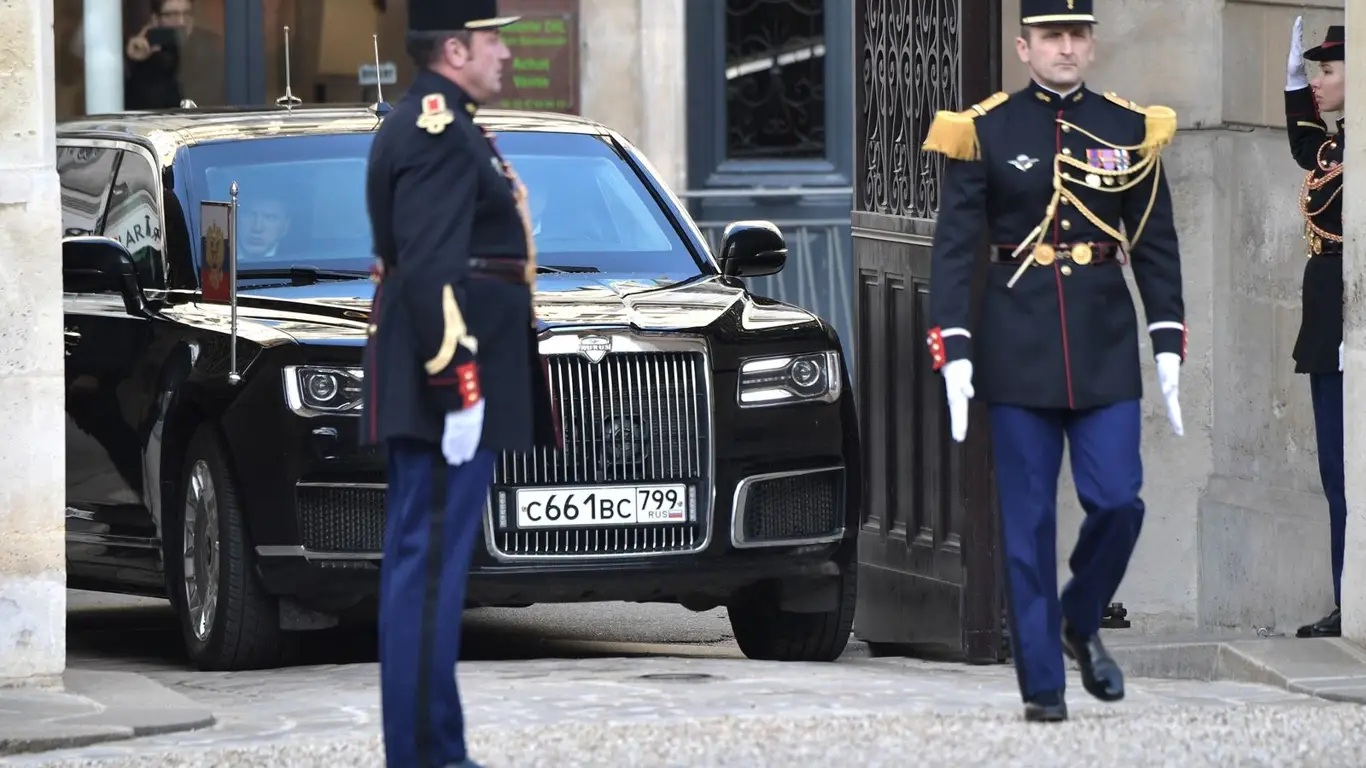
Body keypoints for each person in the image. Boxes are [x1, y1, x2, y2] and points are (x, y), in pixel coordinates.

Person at [921, 0, 1186, 722]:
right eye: (1051, 36)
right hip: (1017, 346)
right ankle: (1043, 686)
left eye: (1077, 35)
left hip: (1103, 344)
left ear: (1092, 45)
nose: (1065, 47)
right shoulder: (986, 129)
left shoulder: (1128, 127)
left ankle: (1079, 615)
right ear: (1024, 46)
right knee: (1029, 524)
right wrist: (954, 349)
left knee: (1119, 500)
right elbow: (955, 249)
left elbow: (1155, 241)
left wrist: (1167, 340)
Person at [361, 1, 559, 765]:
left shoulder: (448, 124)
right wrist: (460, 388)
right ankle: (424, 756)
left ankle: (437, 746)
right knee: (428, 571)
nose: (503, 53)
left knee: (431, 569)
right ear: (453, 49)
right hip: (447, 384)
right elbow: (432, 266)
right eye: (490, 41)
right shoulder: (437, 130)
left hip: (446, 378)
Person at [1284, 20, 1347, 640]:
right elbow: (1307, 145)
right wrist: (1292, 87)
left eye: (1327, 71)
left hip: (1348, 320)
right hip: (1329, 328)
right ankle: (1346, 596)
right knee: (1335, 471)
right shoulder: (1338, 148)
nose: (1317, 84)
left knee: (1349, 470)